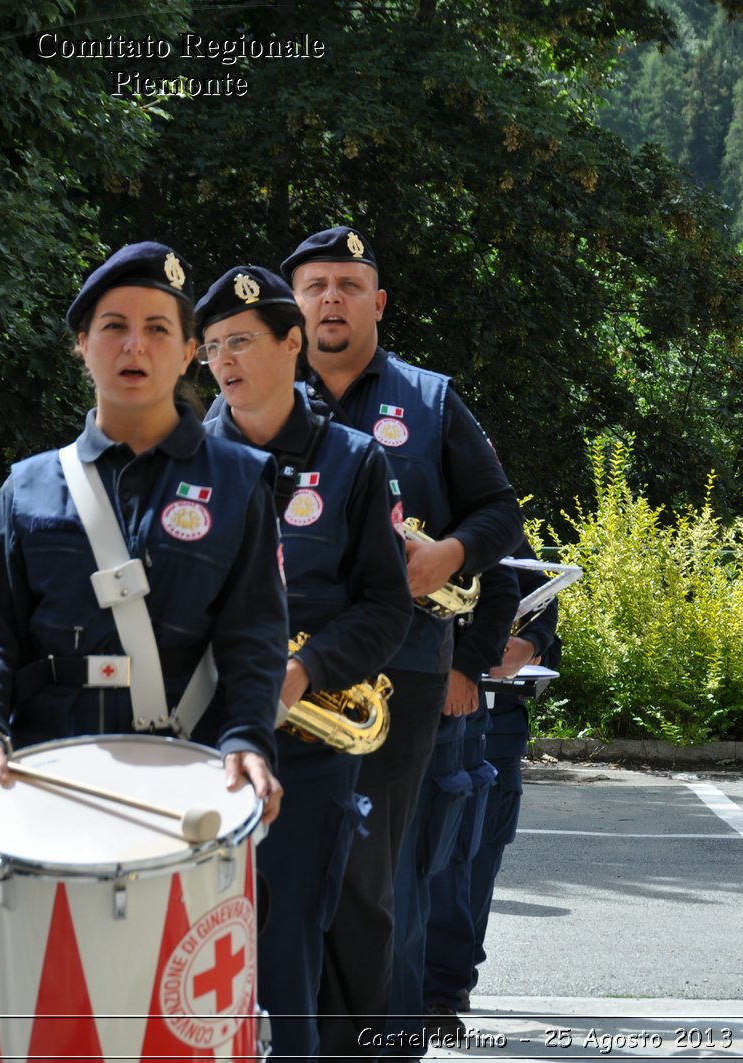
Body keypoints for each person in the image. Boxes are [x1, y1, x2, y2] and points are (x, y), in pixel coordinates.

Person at [279, 226, 522, 1058]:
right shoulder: (257, 398)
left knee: (375, 879)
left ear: (378, 303)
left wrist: (450, 558)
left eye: (349, 285)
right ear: (292, 306)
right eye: (314, 287)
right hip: (285, 676)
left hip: (399, 676)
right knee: (288, 872)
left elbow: (499, 515)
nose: (331, 300)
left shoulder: (431, 399)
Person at [0, 242, 285, 820]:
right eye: (114, 326)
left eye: (157, 329)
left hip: (192, 785)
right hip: (44, 778)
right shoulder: (26, 489)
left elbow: (253, 636)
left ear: (187, 353)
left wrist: (250, 738)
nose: (134, 345)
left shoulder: (240, 482)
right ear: (82, 344)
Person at [197, 264, 413, 1060]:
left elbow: (387, 607)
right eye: (212, 346)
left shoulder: (355, 461)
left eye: (243, 342)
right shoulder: (176, 458)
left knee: (287, 958)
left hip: (306, 754)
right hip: (197, 750)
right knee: (190, 955)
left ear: (293, 344)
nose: (224, 361)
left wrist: (304, 670)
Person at [396, 552, 520, 1044]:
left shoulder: (462, 487)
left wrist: (467, 668)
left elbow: (509, 587)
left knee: (440, 862)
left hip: (445, 707)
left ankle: (437, 995)